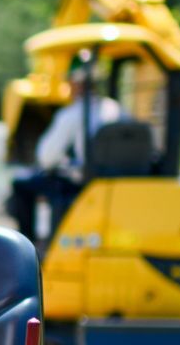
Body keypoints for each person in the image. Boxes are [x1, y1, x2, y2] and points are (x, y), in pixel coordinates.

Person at [8, 60, 123, 240]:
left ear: (75, 84)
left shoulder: (72, 114)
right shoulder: (116, 109)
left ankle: (29, 246)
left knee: (21, 185)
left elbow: (46, 157)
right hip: (115, 178)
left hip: (84, 184)